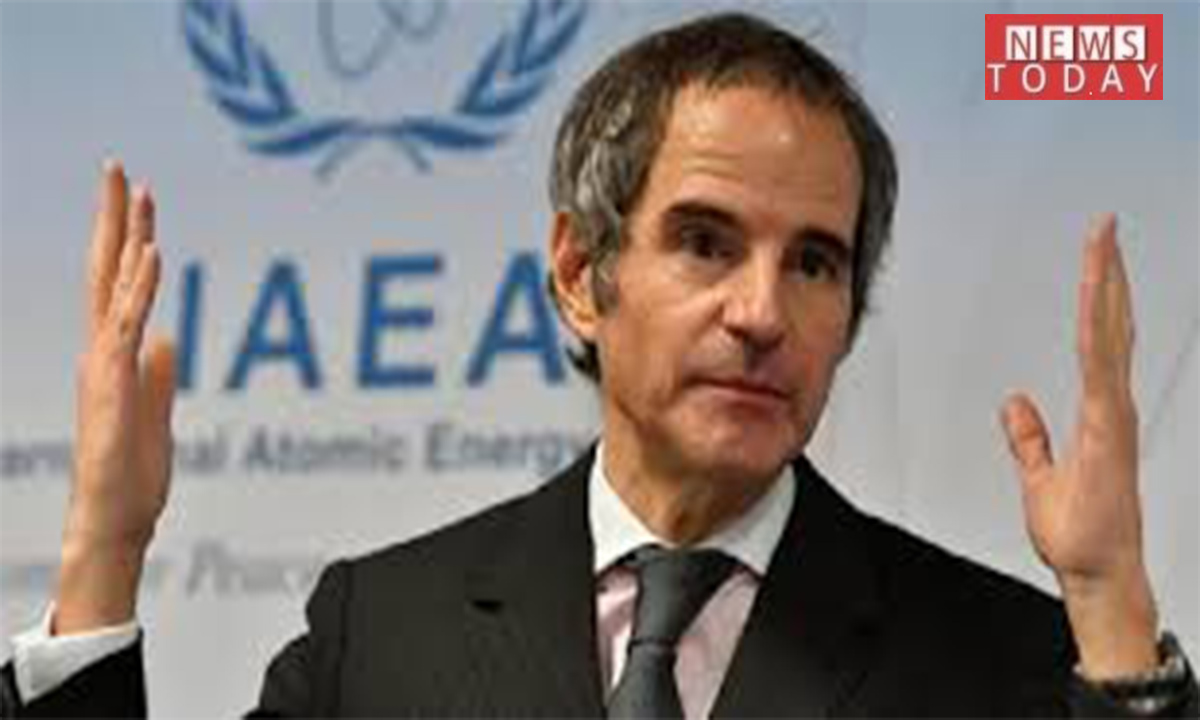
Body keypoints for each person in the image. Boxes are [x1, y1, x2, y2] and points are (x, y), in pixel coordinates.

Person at [1, 11, 1195, 718]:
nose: (762, 312)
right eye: (706, 241)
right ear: (580, 271)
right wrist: (104, 551)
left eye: (814, 262)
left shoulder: (1001, 657)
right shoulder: (382, 632)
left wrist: (1111, 613)